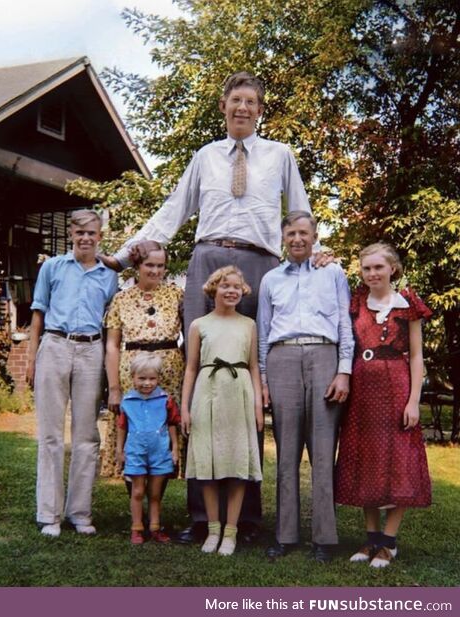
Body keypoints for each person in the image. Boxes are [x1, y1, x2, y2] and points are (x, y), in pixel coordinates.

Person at [101, 71, 318, 543]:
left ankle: (249, 518)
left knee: (247, 381)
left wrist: (317, 253)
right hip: (208, 257)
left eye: (251, 102)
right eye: (235, 100)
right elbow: (173, 211)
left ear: (261, 110)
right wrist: (122, 254)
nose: (243, 108)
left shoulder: (280, 156)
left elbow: (299, 214)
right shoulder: (204, 157)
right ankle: (202, 518)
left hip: (260, 262)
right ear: (223, 106)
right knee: (202, 382)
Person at [257, 211, 354, 563]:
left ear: (315, 236)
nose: (297, 239)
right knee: (286, 452)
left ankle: (325, 538)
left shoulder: (332, 272)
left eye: (303, 233)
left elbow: (345, 323)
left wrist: (343, 371)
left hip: (324, 357)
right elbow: (264, 332)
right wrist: (265, 380)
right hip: (283, 359)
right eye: (290, 234)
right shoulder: (271, 279)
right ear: (283, 238)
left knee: (323, 450)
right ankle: (285, 535)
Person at [335, 243, 432, 568]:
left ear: (393, 268)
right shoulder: (356, 302)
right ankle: (371, 537)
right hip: (363, 390)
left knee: (397, 460)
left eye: (379, 267)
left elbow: (417, 355)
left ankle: (389, 542)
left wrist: (413, 401)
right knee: (367, 459)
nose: (372, 273)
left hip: (397, 389)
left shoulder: (408, 305)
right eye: (366, 268)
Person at [27, 210, 118, 537]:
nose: (85, 238)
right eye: (80, 232)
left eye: (91, 233)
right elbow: (38, 314)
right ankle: (49, 514)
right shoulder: (52, 267)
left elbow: (111, 323)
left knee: (86, 435)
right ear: (71, 234)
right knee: (50, 434)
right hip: (54, 345)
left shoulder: (109, 276)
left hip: (91, 350)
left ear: (100, 236)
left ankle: (79, 512)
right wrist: (32, 358)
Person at [181, 266, 263, 556]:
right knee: (209, 464)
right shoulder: (199, 325)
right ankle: (213, 529)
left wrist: (257, 404)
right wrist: (185, 407)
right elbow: (191, 368)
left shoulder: (248, 325)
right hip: (207, 393)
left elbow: (253, 366)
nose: (231, 291)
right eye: (225, 285)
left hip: (238, 393)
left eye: (236, 287)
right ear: (213, 289)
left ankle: (231, 532)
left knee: (236, 465)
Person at [102, 241, 184, 479]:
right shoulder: (122, 299)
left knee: (163, 429)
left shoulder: (176, 294)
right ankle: (136, 500)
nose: (155, 271)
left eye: (161, 266)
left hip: (169, 372)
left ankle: (158, 502)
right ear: (137, 265)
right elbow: (112, 345)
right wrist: (114, 388)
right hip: (132, 371)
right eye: (150, 265)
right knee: (136, 430)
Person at [116, 352, 180, 545]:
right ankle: (136, 528)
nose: (147, 383)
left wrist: (174, 448)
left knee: (154, 493)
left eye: (152, 378)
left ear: (159, 378)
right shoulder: (127, 402)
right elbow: (122, 427)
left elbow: (171, 424)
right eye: (142, 378)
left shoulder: (165, 400)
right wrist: (120, 451)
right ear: (133, 377)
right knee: (137, 491)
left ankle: (155, 528)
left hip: (159, 452)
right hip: (136, 452)